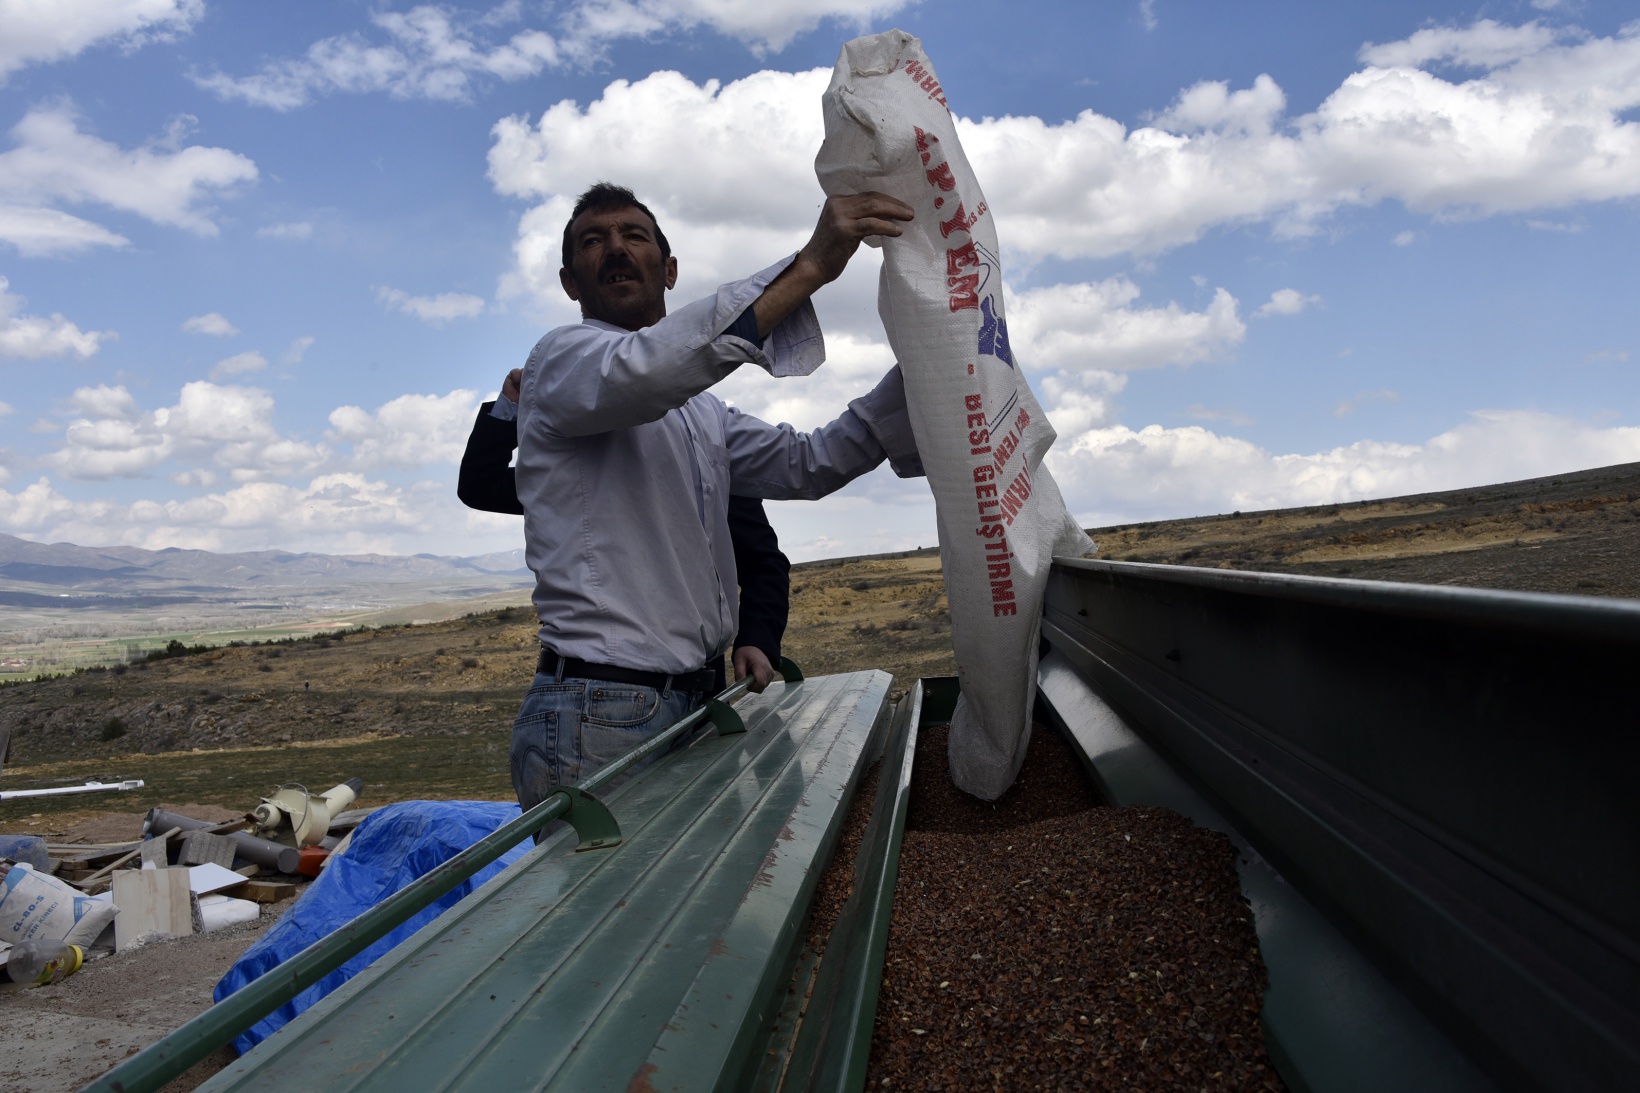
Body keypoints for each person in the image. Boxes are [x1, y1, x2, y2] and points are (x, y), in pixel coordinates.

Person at [507, 181, 920, 812]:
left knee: (670, 904)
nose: (615, 248)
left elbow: (809, 462)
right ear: (570, 282)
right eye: (594, 241)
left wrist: (924, 367)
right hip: (599, 712)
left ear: (669, 269)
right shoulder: (561, 361)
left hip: (688, 702)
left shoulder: (702, 412)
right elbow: (648, 371)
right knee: (618, 909)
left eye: (633, 235)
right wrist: (811, 266)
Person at [457, 367, 791, 691]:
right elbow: (480, 485)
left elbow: (763, 561)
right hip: (596, 689)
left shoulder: (706, 449)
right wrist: (511, 406)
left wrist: (757, 639)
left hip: (701, 688)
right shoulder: (577, 472)